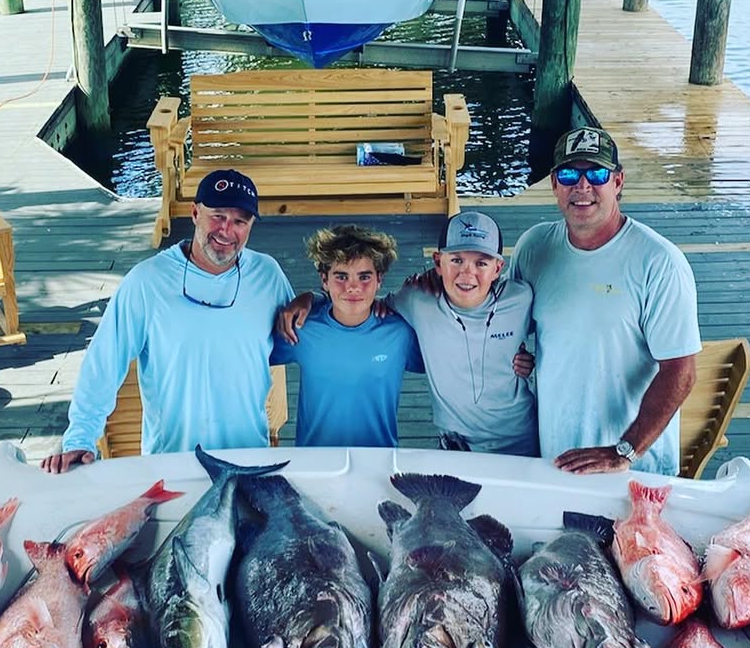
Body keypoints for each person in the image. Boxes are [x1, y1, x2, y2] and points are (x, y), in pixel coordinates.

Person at [42, 170, 293, 472]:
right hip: (171, 464)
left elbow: (305, 335)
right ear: (195, 213)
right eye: (217, 216)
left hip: (248, 460)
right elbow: (103, 364)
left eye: (240, 221)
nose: (227, 230)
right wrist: (80, 439)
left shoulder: (268, 275)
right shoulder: (146, 281)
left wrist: (313, 299)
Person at [510, 126, 701, 476]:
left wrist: (625, 451)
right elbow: (507, 325)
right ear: (554, 184)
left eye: (596, 174)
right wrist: (437, 285)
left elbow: (681, 371)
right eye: (569, 175)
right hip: (555, 459)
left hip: (633, 469)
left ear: (618, 181)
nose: (582, 186)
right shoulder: (533, 247)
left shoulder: (660, 262)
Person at [279, 210, 537, 456]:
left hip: (519, 441)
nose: (467, 273)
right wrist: (311, 297)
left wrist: (526, 359)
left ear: (498, 268)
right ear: (438, 262)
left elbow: (554, 338)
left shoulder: (521, 298)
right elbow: (259, 354)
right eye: (457, 260)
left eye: (481, 262)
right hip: (452, 448)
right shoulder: (412, 302)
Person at [269, 224, 423, 448]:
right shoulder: (301, 327)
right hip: (314, 459)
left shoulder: (400, 334)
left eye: (364, 277)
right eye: (341, 276)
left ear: (379, 279)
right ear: (324, 280)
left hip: (381, 457)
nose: (353, 287)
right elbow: (251, 356)